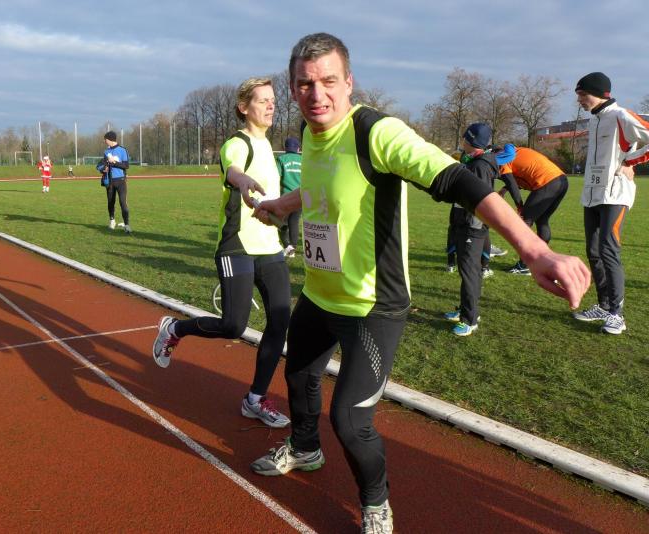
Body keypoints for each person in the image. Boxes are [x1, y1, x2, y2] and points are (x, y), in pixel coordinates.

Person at [250, 33, 590, 533]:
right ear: (292, 87)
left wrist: (532, 248)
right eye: (304, 84)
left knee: (350, 421)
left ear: (349, 82)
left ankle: (376, 502)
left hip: (373, 307)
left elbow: (458, 180)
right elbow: (325, 182)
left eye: (328, 81)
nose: (316, 94)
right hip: (320, 296)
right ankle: (304, 449)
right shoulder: (311, 130)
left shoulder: (377, 132)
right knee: (299, 380)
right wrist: (283, 205)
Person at [152, 77, 292, 428]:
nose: (271, 105)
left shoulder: (269, 149)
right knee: (233, 326)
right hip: (237, 246)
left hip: (270, 248)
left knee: (280, 323)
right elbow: (233, 171)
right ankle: (175, 329)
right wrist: (242, 182)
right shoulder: (237, 143)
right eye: (262, 100)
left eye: (273, 100)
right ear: (244, 107)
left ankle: (255, 399)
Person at [572, 72, 648, 335]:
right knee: (593, 251)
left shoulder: (621, 115)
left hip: (615, 195)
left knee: (608, 249)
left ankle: (617, 314)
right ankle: (604, 305)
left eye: (583, 94)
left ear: (599, 93)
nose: (579, 100)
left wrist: (630, 162)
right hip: (591, 195)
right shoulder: (594, 120)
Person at [443, 123, 499, 336]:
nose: (462, 140)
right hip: (465, 222)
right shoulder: (472, 162)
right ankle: (466, 309)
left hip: (472, 226)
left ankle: (470, 319)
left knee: (469, 272)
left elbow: (478, 197)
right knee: (467, 270)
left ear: (472, 140)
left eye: (465, 138)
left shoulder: (479, 166)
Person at [494, 144, 569, 276]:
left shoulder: (502, 159)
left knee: (524, 223)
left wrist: (519, 205)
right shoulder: (517, 151)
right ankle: (541, 260)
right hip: (561, 180)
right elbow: (523, 172)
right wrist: (504, 189)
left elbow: (512, 183)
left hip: (547, 182)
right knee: (542, 221)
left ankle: (524, 265)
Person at [96, 131, 131, 233]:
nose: (104, 141)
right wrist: (103, 169)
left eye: (105, 139)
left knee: (123, 203)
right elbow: (102, 165)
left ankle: (127, 225)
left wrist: (114, 162)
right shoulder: (106, 151)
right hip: (110, 181)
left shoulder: (122, 150)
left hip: (121, 181)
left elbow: (126, 165)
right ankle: (112, 221)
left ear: (110, 139)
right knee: (110, 202)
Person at [277, 137, 303, 257]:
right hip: (300, 197)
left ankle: (287, 246)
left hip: (285, 197)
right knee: (294, 222)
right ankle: (292, 249)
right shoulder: (303, 160)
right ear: (298, 149)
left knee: (281, 223)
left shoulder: (281, 159)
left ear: (285, 148)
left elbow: (276, 176)